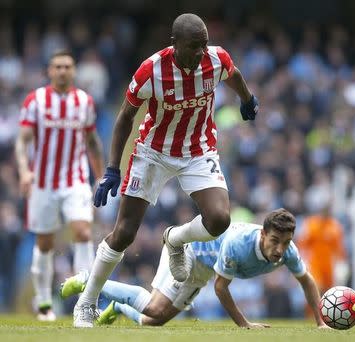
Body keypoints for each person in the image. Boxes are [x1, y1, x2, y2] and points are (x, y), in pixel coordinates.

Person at [72, 13, 259, 328]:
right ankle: (86, 303)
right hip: (153, 152)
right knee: (125, 233)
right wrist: (112, 169)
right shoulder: (152, 70)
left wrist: (247, 99)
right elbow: (124, 118)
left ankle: (175, 239)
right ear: (175, 45)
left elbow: (234, 73)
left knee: (219, 219)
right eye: (194, 46)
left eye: (204, 45)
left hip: (198, 150)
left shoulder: (216, 59)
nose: (201, 52)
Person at [62, 209, 328, 328]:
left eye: (285, 242)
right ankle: (88, 280)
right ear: (262, 234)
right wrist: (244, 324)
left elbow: (306, 280)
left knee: (154, 320)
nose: (280, 249)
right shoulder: (238, 244)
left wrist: (320, 323)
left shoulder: (288, 252)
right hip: (188, 251)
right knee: (155, 307)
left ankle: (118, 307)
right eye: (275, 241)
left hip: (204, 268)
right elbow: (221, 288)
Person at [15, 49, 104, 321]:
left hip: (76, 179)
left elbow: (92, 142)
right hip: (42, 182)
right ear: (49, 71)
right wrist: (24, 172)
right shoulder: (36, 100)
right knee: (44, 243)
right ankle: (43, 303)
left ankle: (85, 303)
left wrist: (100, 175)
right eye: (57, 66)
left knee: (83, 231)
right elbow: (22, 140)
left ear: (74, 70)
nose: (63, 71)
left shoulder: (84, 102)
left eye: (67, 66)